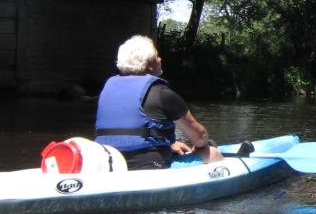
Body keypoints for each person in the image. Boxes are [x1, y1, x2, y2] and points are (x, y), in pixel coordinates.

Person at [94, 35, 223, 170]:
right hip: (148, 165)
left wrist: (169, 144)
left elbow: (125, 131)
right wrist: (199, 148)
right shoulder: (162, 93)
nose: (160, 59)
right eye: (156, 56)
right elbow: (200, 136)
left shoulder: (107, 89)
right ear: (149, 65)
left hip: (109, 163)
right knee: (212, 153)